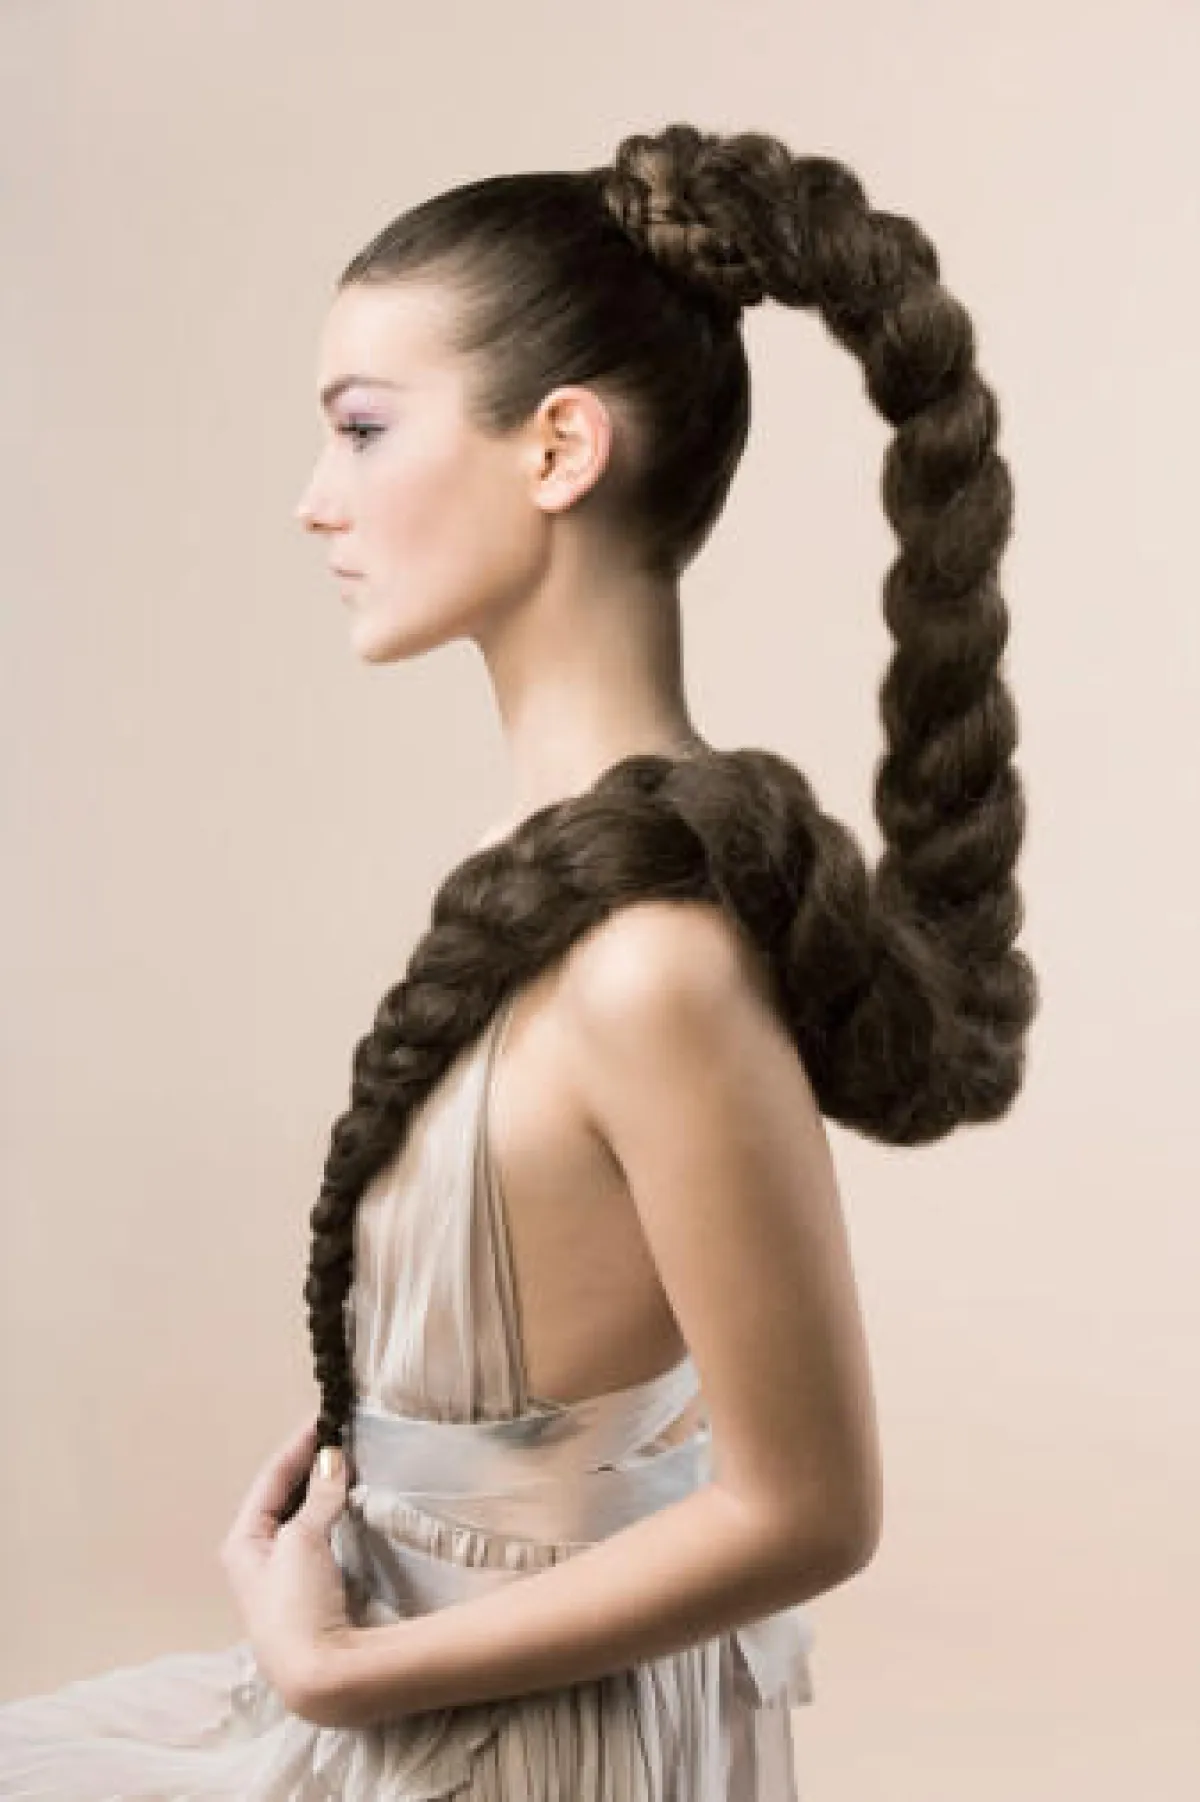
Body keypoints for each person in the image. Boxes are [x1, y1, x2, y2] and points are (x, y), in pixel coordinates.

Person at [0, 120, 1039, 1798]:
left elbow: (809, 1507)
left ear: (558, 446)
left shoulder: (650, 965)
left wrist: (339, 1666)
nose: (314, 499)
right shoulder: (554, 880)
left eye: (361, 428)